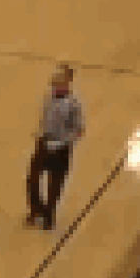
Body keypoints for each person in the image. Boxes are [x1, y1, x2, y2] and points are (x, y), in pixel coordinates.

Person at [26, 65, 85, 230]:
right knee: (32, 178)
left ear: (66, 84)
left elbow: (79, 129)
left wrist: (65, 141)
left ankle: (48, 215)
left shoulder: (74, 104)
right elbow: (44, 118)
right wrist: (40, 133)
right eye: (53, 83)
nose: (54, 86)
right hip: (44, 143)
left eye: (57, 83)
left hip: (61, 149)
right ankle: (36, 209)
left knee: (54, 185)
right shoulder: (48, 98)